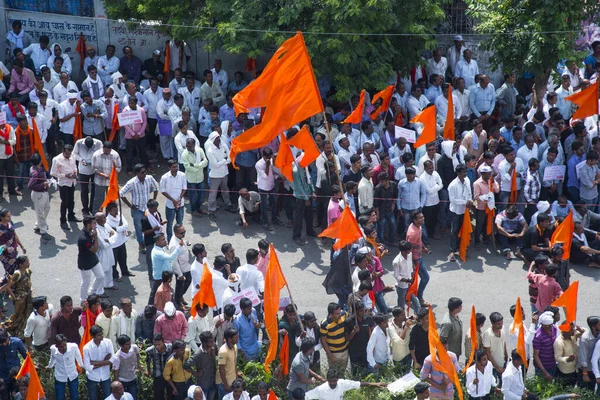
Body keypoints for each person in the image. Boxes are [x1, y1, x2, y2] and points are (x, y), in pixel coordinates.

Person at [120, 164, 159, 254]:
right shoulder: (131, 183)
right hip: (137, 209)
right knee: (138, 227)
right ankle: (141, 243)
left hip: (147, 209)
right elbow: (121, 194)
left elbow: (156, 187)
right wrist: (130, 205)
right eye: (142, 172)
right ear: (137, 173)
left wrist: (153, 200)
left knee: (150, 225)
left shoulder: (149, 178)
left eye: (145, 172)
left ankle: (150, 242)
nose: (144, 174)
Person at [205, 131, 235, 221]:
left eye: (219, 138)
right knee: (213, 194)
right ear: (213, 140)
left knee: (225, 190)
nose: (219, 140)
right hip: (215, 175)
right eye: (217, 139)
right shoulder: (210, 151)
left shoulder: (223, 145)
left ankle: (228, 204)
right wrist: (224, 160)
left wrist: (223, 161)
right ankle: (211, 211)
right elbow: (215, 165)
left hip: (224, 173)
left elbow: (230, 157)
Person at [50, 144, 79, 230]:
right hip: (64, 183)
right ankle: (63, 221)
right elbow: (53, 173)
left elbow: (74, 166)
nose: (68, 156)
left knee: (71, 201)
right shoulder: (56, 159)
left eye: (69, 154)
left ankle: (71, 215)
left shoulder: (73, 155)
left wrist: (75, 172)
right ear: (63, 152)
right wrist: (65, 175)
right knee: (64, 202)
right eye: (67, 154)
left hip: (72, 182)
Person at [2, 255, 32, 338]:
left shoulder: (28, 271)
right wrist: (14, 298)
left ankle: (25, 330)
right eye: (26, 262)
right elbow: (8, 286)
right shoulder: (17, 274)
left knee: (27, 314)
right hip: (20, 300)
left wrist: (31, 289)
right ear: (21, 264)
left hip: (28, 297)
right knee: (19, 316)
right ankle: (19, 332)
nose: (28, 263)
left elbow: (29, 282)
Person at [304, 369, 385, 399]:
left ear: (337, 379)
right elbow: (306, 396)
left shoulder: (342, 383)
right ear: (327, 380)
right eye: (330, 381)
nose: (332, 383)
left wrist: (376, 384)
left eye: (334, 381)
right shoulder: (321, 389)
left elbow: (358, 384)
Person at [448, 164, 473, 262]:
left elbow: (469, 193)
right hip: (456, 211)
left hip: (465, 211)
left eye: (465, 172)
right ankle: (452, 251)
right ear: (458, 173)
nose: (465, 174)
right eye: (463, 172)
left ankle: (461, 247)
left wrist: (469, 201)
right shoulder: (453, 185)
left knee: (463, 230)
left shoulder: (467, 180)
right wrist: (464, 202)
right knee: (454, 231)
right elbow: (453, 200)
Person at [77, 215, 105, 304]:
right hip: (85, 262)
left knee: (101, 276)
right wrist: (96, 237)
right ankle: (83, 300)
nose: (95, 225)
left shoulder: (90, 232)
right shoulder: (83, 238)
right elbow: (94, 249)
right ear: (88, 225)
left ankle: (92, 292)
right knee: (85, 282)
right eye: (94, 223)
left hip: (93, 259)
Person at [48, 333, 84, 400]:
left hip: (72, 375)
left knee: (75, 397)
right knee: (60, 397)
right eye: (61, 346)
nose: (64, 347)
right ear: (57, 346)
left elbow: (78, 357)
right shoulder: (53, 349)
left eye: (65, 345)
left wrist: (82, 366)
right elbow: (52, 359)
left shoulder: (73, 347)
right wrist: (49, 367)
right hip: (60, 377)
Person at [183, 330, 217, 399]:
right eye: (210, 342)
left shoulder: (213, 347)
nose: (213, 343)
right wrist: (195, 373)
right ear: (204, 343)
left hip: (213, 382)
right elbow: (186, 365)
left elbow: (219, 354)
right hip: (203, 385)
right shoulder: (198, 354)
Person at [83, 325, 114, 400]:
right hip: (92, 377)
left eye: (101, 334)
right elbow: (87, 366)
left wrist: (95, 363)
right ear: (93, 336)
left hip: (105, 375)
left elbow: (113, 359)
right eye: (99, 335)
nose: (101, 336)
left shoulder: (108, 342)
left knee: (108, 396)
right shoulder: (87, 348)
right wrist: (105, 362)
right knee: (92, 397)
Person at [160, 160, 187, 241]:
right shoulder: (165, 177)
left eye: (176, 166)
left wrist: (179, 199)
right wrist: (173, 201)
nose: (176, 168)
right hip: (170, 205)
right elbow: (163, 191)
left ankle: (180, 240)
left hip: (180, 204)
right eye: (173, 167)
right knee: (169, 224)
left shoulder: (182, 175)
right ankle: (170, 240)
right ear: (169, 167)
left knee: (180, 224)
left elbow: (184, 188)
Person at [181, 138, 208, 216]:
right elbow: (187, 167)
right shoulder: (184, 154)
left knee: (201, 195)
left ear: (194, 145)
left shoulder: (200, 150)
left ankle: (198, 208)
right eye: (187, 146)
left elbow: (205, 162)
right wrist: (200, 167)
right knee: (192, 196)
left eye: (190, 146)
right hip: (190, 179)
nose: (188, 148)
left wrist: (196, 165)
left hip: (200, 177)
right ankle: (194, 210)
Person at [28, 153, 51, 240]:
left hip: (44, 193)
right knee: (41, 213)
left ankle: (39, 224)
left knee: (47, 208)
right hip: (39, 194)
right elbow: (30, 186)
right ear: (40, 161)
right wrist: (43, 185)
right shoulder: (35, 173)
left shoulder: (37, 168)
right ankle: (43, 231)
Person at [111, 334, 141, 398]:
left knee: (133, 397)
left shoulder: (134, 347)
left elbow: (138, 355)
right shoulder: (117, 357)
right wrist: (118, 385)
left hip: (132, 379)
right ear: (121, 345)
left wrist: (139, 365)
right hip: (123, 381)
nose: (129, 345)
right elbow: (116, 372)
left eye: (130, 343)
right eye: (127, 344)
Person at [483, 312, 508, 385]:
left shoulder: (502, 330)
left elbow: (503, 343)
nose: (500, 325)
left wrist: (506, 356)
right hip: (493, 367)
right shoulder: (488, 334)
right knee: (495, 386)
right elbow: (487, 352)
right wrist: (496, 367)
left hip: (502, 363)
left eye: (501, 323)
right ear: (492, 324)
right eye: (498, 324)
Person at [146, 333, 173, 399]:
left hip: (170, 376)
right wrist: (148, 371)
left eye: (159, 344)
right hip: (158, 376)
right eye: (155, 345)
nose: (157, 347)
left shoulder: (170, 347)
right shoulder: (150, 351)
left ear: (163, 341)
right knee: (158, 396)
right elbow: (148, 361)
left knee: (171, 395)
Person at [533, 311, 558, 381]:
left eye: (551, 325)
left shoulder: (554, 329)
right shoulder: (538, 336)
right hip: (542, 367)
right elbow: (536, 355)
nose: (550, 328)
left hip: (552, 364)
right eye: (547, 326)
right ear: (542, 325)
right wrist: (545, 372)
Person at [0, 209, 25, 275]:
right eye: (7, 217)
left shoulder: (10, 223)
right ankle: (9, 283)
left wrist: (22, 246)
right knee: (9, 269)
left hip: (13, 250)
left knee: (15, 266)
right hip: (4, 254)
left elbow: (15, 235)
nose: (10, 218)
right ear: (2, 218)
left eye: (10, 216)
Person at [216, 327, 240, 398]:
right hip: (223, 383)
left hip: (232, 381)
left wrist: (236, 376)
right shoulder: (223, 351)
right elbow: (221, 369)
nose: (237, 338)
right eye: (235, 337)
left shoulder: (235, 346)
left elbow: (234, 363)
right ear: (229, 339)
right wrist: (225, 384)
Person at [555, 322, 579, 387]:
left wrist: (580, 329)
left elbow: (584, 331)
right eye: (571, 329)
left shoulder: (573, 334)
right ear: (565, 330)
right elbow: (557, 357)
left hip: (575, 369)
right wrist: (567, 359)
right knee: (566, 391)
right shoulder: (559, 342)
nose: (573, 331)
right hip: (566, 372)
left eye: (573, 328)